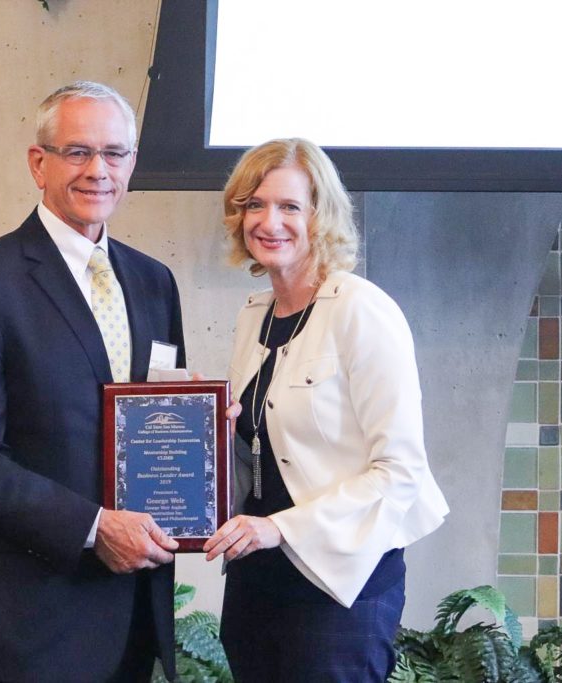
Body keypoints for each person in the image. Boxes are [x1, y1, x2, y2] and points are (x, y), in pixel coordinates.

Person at [0, 81, 185, 682]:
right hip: (31, 624)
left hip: (133, 618)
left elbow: (156, 426)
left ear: (132, 165)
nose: (98, 170)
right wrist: (95, 528)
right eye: (77, 152)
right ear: (38, 163)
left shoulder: (153, 282)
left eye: (114, 154)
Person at [203, 138, 449, 681]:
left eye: (290, 206)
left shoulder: (362, 310)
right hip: (257, 578)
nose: (270, 221)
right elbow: (265, 449)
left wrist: (282, 529)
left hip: (341, 583)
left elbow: (400, 472)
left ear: (322, 217)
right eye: (254, 205)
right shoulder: (255, 315)